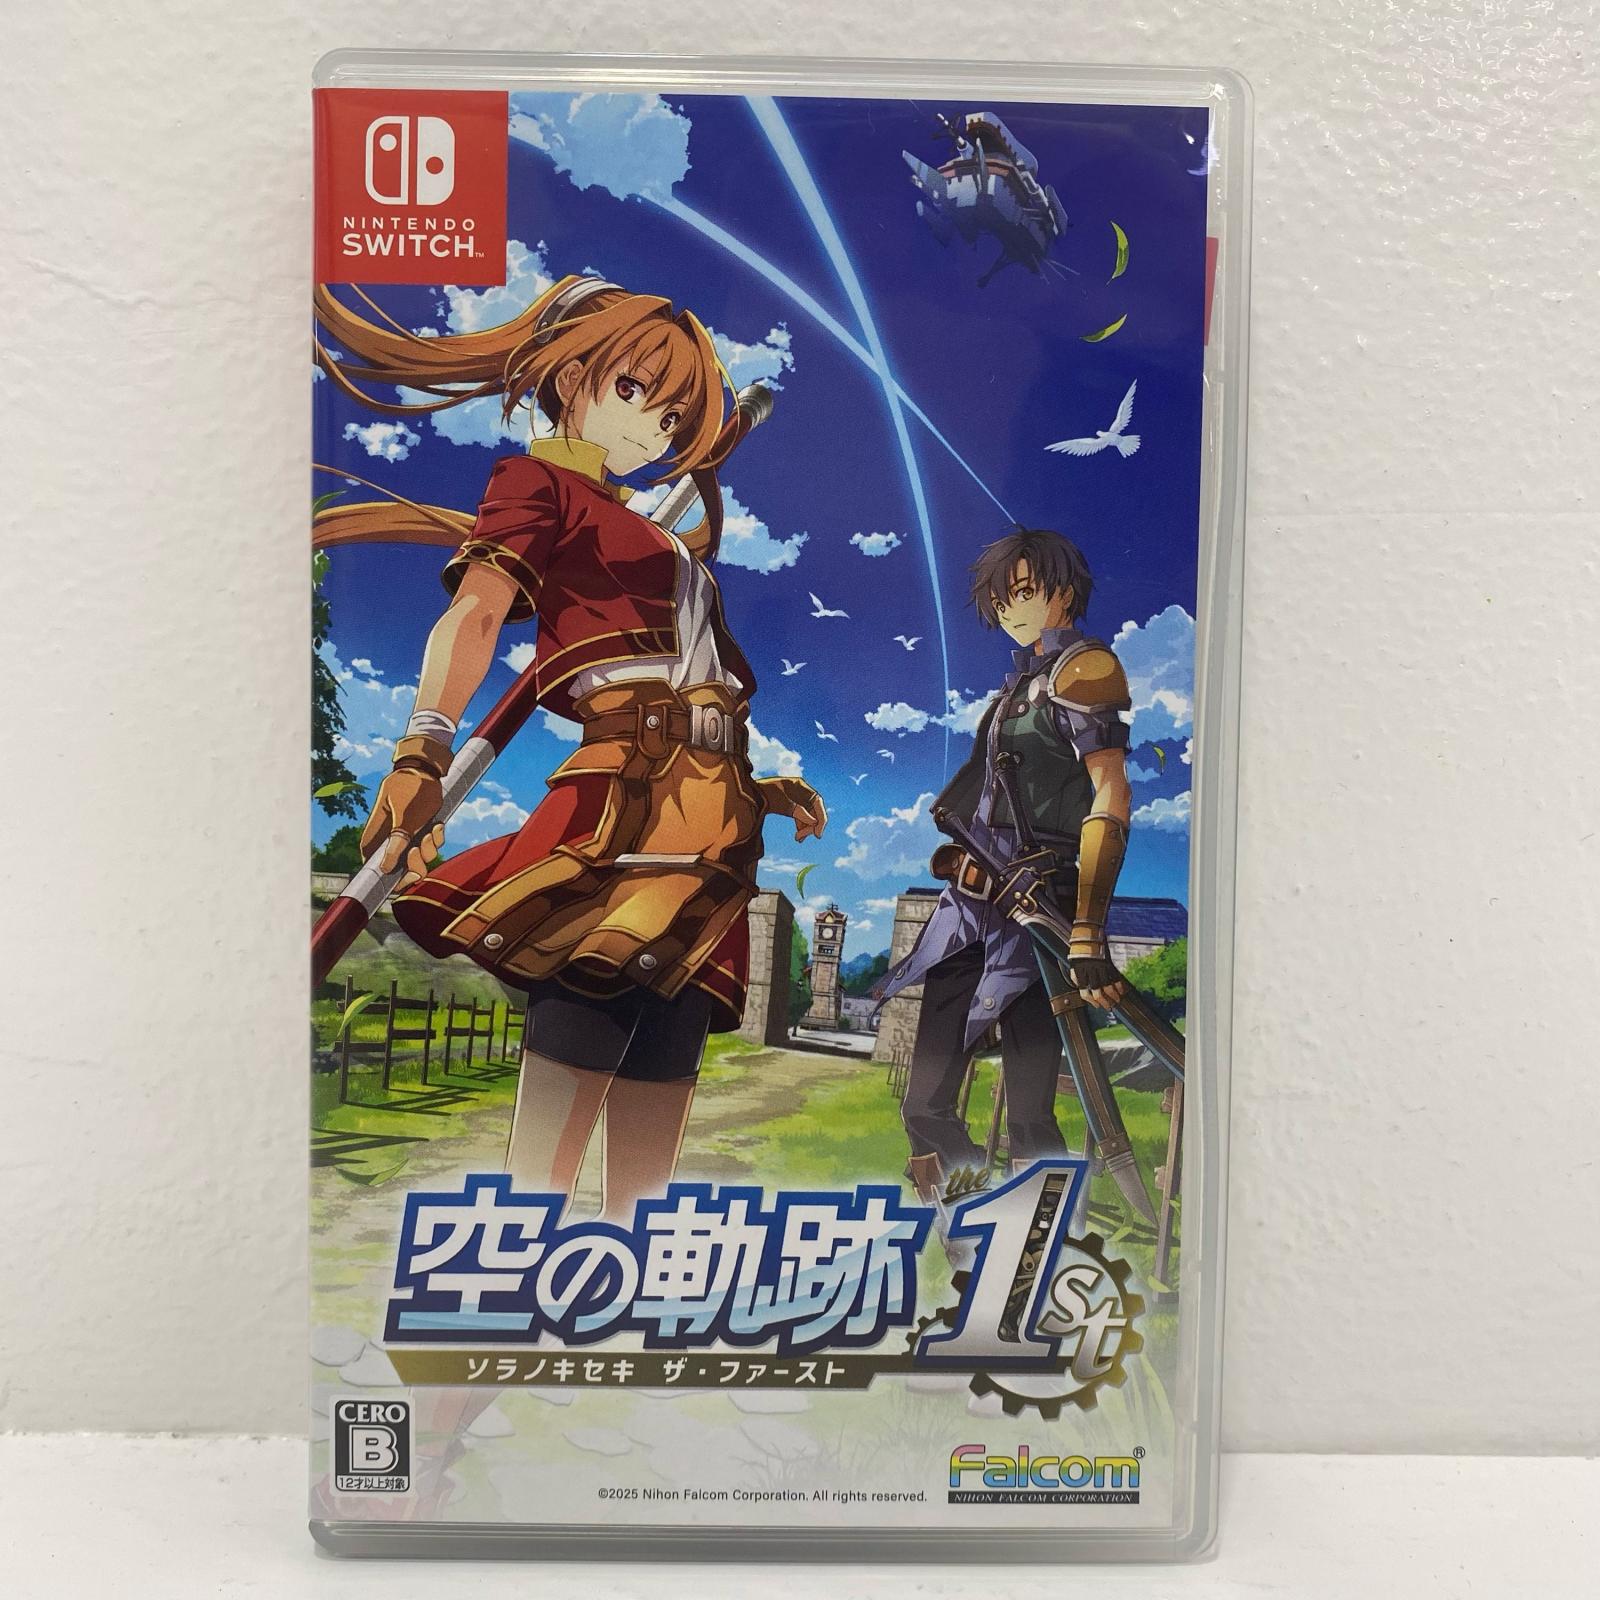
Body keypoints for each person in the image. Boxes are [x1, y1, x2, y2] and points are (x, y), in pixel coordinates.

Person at [313, 274, 826, 1220]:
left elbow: (698, 673)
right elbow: (477, 613)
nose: (652, 429)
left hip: (716, 820)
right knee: (590, 1006)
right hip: (624, 798)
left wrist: (757, 787)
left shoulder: (662, 539)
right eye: (634, 390)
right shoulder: (535, 485)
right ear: (569, 375)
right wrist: (422, 748)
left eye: (674, 417)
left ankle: (634, 1276)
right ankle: (512, 1262)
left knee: (667, 1042)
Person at [877, 528, 1132, 1197]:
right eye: (1001, 599)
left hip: (1039, 915)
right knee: (924, 1106)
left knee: (1030, 1116)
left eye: (1023, 592)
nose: (1009, 610)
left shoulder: (1086, 669)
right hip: (972, 905)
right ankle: (971, 1215)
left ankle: (1042, 1235)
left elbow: (1110, 791)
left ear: (1064, 591)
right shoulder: (1019, 684)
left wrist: (1087, 929)